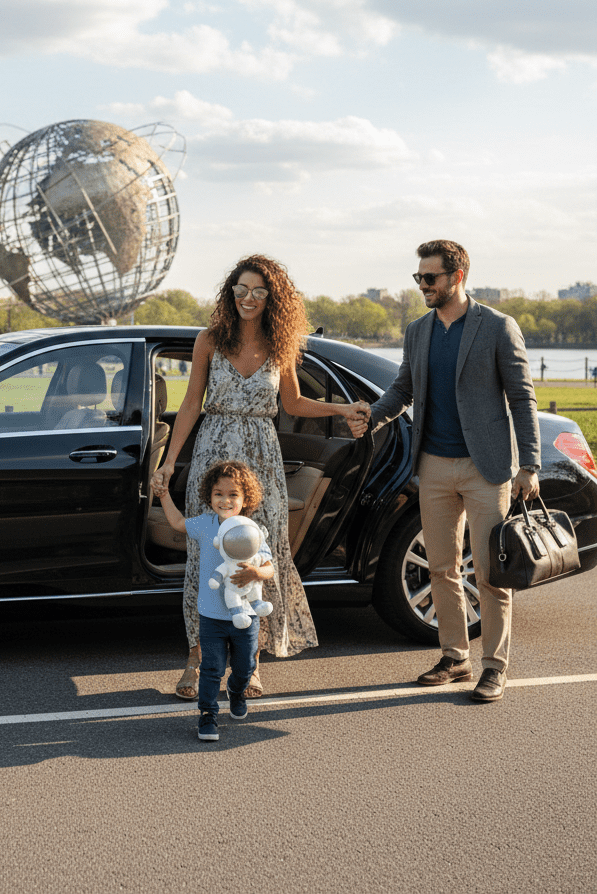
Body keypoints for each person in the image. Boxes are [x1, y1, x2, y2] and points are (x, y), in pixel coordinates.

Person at [151, 254, 369, 700]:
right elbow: (191, 403)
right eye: (241, 290)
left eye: (258, 291)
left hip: (262, 463)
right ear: (230, 293)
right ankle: (196, 657)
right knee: (205, 558)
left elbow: (293, 404)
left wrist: (342, 408)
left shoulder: (280, 345)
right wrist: (170, 461)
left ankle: (248, 664)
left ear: (273, 297)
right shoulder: (209, 340)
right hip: (212, 456)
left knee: (257, 556)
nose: (248, 298)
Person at [368, 240, 540, 702]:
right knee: (442, 569)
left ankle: (495, 667)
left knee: (489, 573)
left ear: (457, 276)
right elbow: (403, 389)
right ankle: (455, 657)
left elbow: (522, 398)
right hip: (434, 467)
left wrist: (529, 465)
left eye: (430, 277)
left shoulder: (498, 326)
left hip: (487, 469)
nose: (422, 285)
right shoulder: (418, 331)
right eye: (418, 277)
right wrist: (370, 417)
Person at [156, 460, 274, 741]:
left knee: (245, 667)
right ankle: (208, 715)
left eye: (233, 494)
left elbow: (270, 567)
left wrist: (256, 573)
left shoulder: (251, 529)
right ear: (209, 496)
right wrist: (163, 494)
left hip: (246, 616)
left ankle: (235, 690)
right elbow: (176, 522)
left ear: (245, 499)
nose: (225, 500)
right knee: (211, 669)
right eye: (218, 494)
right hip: (211, 616)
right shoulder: (205, 525)